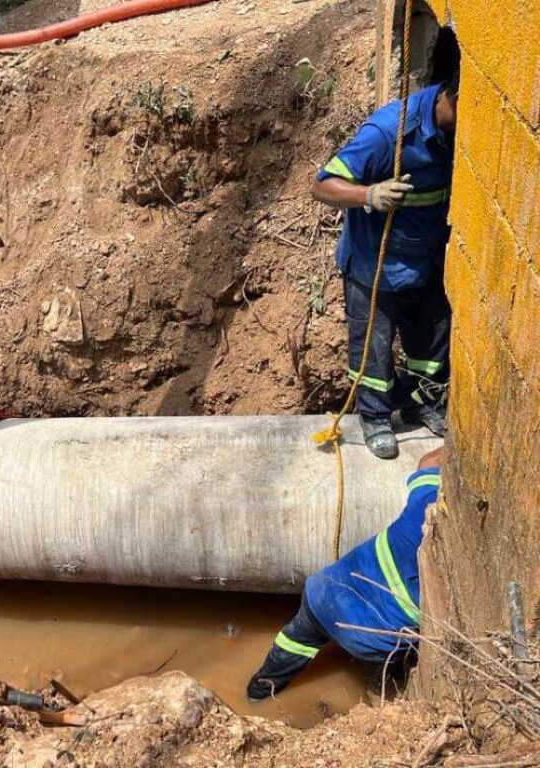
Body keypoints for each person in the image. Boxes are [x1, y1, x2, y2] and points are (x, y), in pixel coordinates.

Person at [313, 76, 458, 459]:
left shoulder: (456, 135)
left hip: (422, 259)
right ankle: (375, 416)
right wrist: (369, 194)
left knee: (430, 339)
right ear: (452, 97)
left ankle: (421, 401)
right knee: (372, 348)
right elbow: (323, 185)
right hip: (373, 260)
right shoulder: (389, 131)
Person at [246, 446, 444, 700]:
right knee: (410, 646)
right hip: (365, 641)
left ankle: (257, 694)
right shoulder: (455, 569)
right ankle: (385, 685)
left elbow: (428, 460)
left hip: (324, 591)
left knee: (296, 640)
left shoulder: (426, 500)